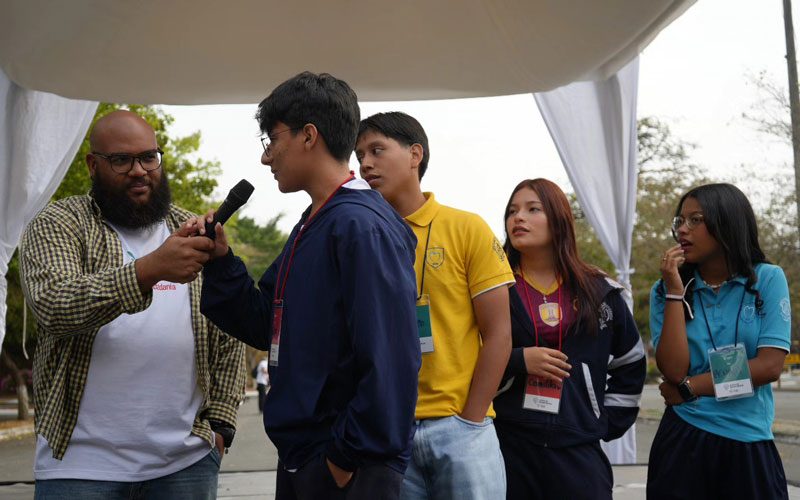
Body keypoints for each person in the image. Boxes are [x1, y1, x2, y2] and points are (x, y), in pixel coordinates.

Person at [192, 72, 420, 500]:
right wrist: (222, 262)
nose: (266, 157)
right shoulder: (314, 222)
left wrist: (344, 459)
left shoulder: (360, 225)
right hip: (309, 455)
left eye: (271, 140)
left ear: (308, 136)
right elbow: (268, 324)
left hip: (346, 465)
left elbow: (390, 360)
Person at [19, 110, 246, 499]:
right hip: (80, 466)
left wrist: (221, 425)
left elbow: (228, 332)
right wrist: (150, 270)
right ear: (93, 165)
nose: (139, 170)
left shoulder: (191, 228)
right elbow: (53, 305)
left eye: (148, 157)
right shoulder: (60, 222)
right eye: (121, 160)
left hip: (185, 465)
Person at [355, 111, 513, 500]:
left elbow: (499, 332)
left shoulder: (467, 227)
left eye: (377, 150)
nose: (365, 164)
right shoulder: (359, 232)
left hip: (460, 428)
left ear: (415, 154)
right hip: (388, 430)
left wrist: (471, 419)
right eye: (359, 155)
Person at [491, 178, 646, 500]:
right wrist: (518, 360)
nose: (518, 218)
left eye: (533, 209)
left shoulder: (600, 290)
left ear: (559, 218)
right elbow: (466, 353)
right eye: (512, 211)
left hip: (579, 450)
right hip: (507, 444)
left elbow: (630, 362)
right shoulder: (493, 287)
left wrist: (603, 423)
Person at [647, 183, 790, 500]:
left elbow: (768, 366)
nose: (683, 230)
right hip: (683, 435)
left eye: (695, 220)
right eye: (680, 221)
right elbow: (673, 369)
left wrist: (690, 387)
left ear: (727, 222)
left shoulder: (767, 279)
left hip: (748, 438)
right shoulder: (667, 289)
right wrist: (674, 290)